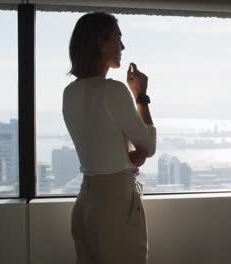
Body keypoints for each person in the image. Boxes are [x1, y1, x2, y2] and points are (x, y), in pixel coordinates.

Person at [63, 12, 156, 264]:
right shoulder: (112, 91)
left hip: (86, 203)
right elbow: (149, 144)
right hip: (116, 207)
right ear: (101, 43)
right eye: (118, 38)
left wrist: (123, 157)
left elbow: (98, 143)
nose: (122, 46)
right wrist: (140, 96)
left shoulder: (69, 93)